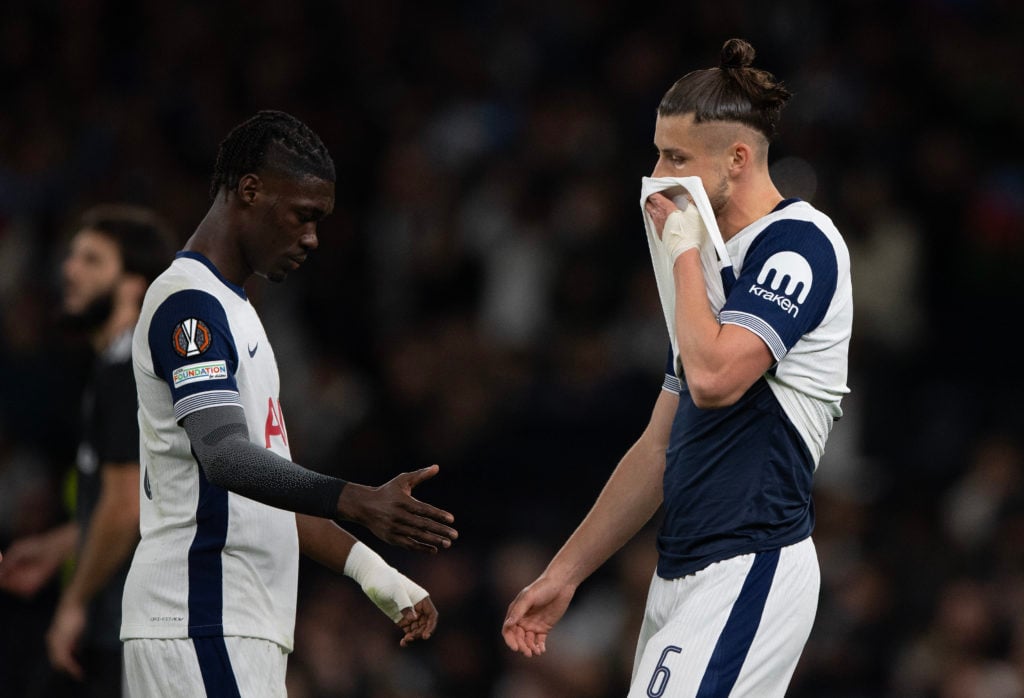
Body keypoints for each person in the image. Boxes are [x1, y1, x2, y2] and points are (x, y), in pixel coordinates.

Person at [503, 38, 852, 697]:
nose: (659, 173)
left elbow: (718, 381)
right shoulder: (713, 277)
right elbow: (661, 444)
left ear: (738, 158)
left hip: (751, 560)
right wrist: (566, 572)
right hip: (680, 573)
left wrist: (683, 253)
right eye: (658, 152)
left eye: (677, 157)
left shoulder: (799, 244)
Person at [119, 109, 458, 697]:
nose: (312, 238)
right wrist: (354, 499)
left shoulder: (235, 309)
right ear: (249, 190)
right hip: (201, 618)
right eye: (303, 216)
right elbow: (224, 457)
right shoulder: (189, 306)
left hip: (233, 624)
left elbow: (264, 488)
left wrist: (374, 573)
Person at [0, 204, 177, 697]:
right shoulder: (122, 368)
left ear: (134, 286)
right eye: (72, 256)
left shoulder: (128, 372)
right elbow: (149, 499)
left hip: (138, 625)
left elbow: (123, 510)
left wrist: (73, 604)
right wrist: (61, 545)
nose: (69, 269)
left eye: (92, 260)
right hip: (138, 626)